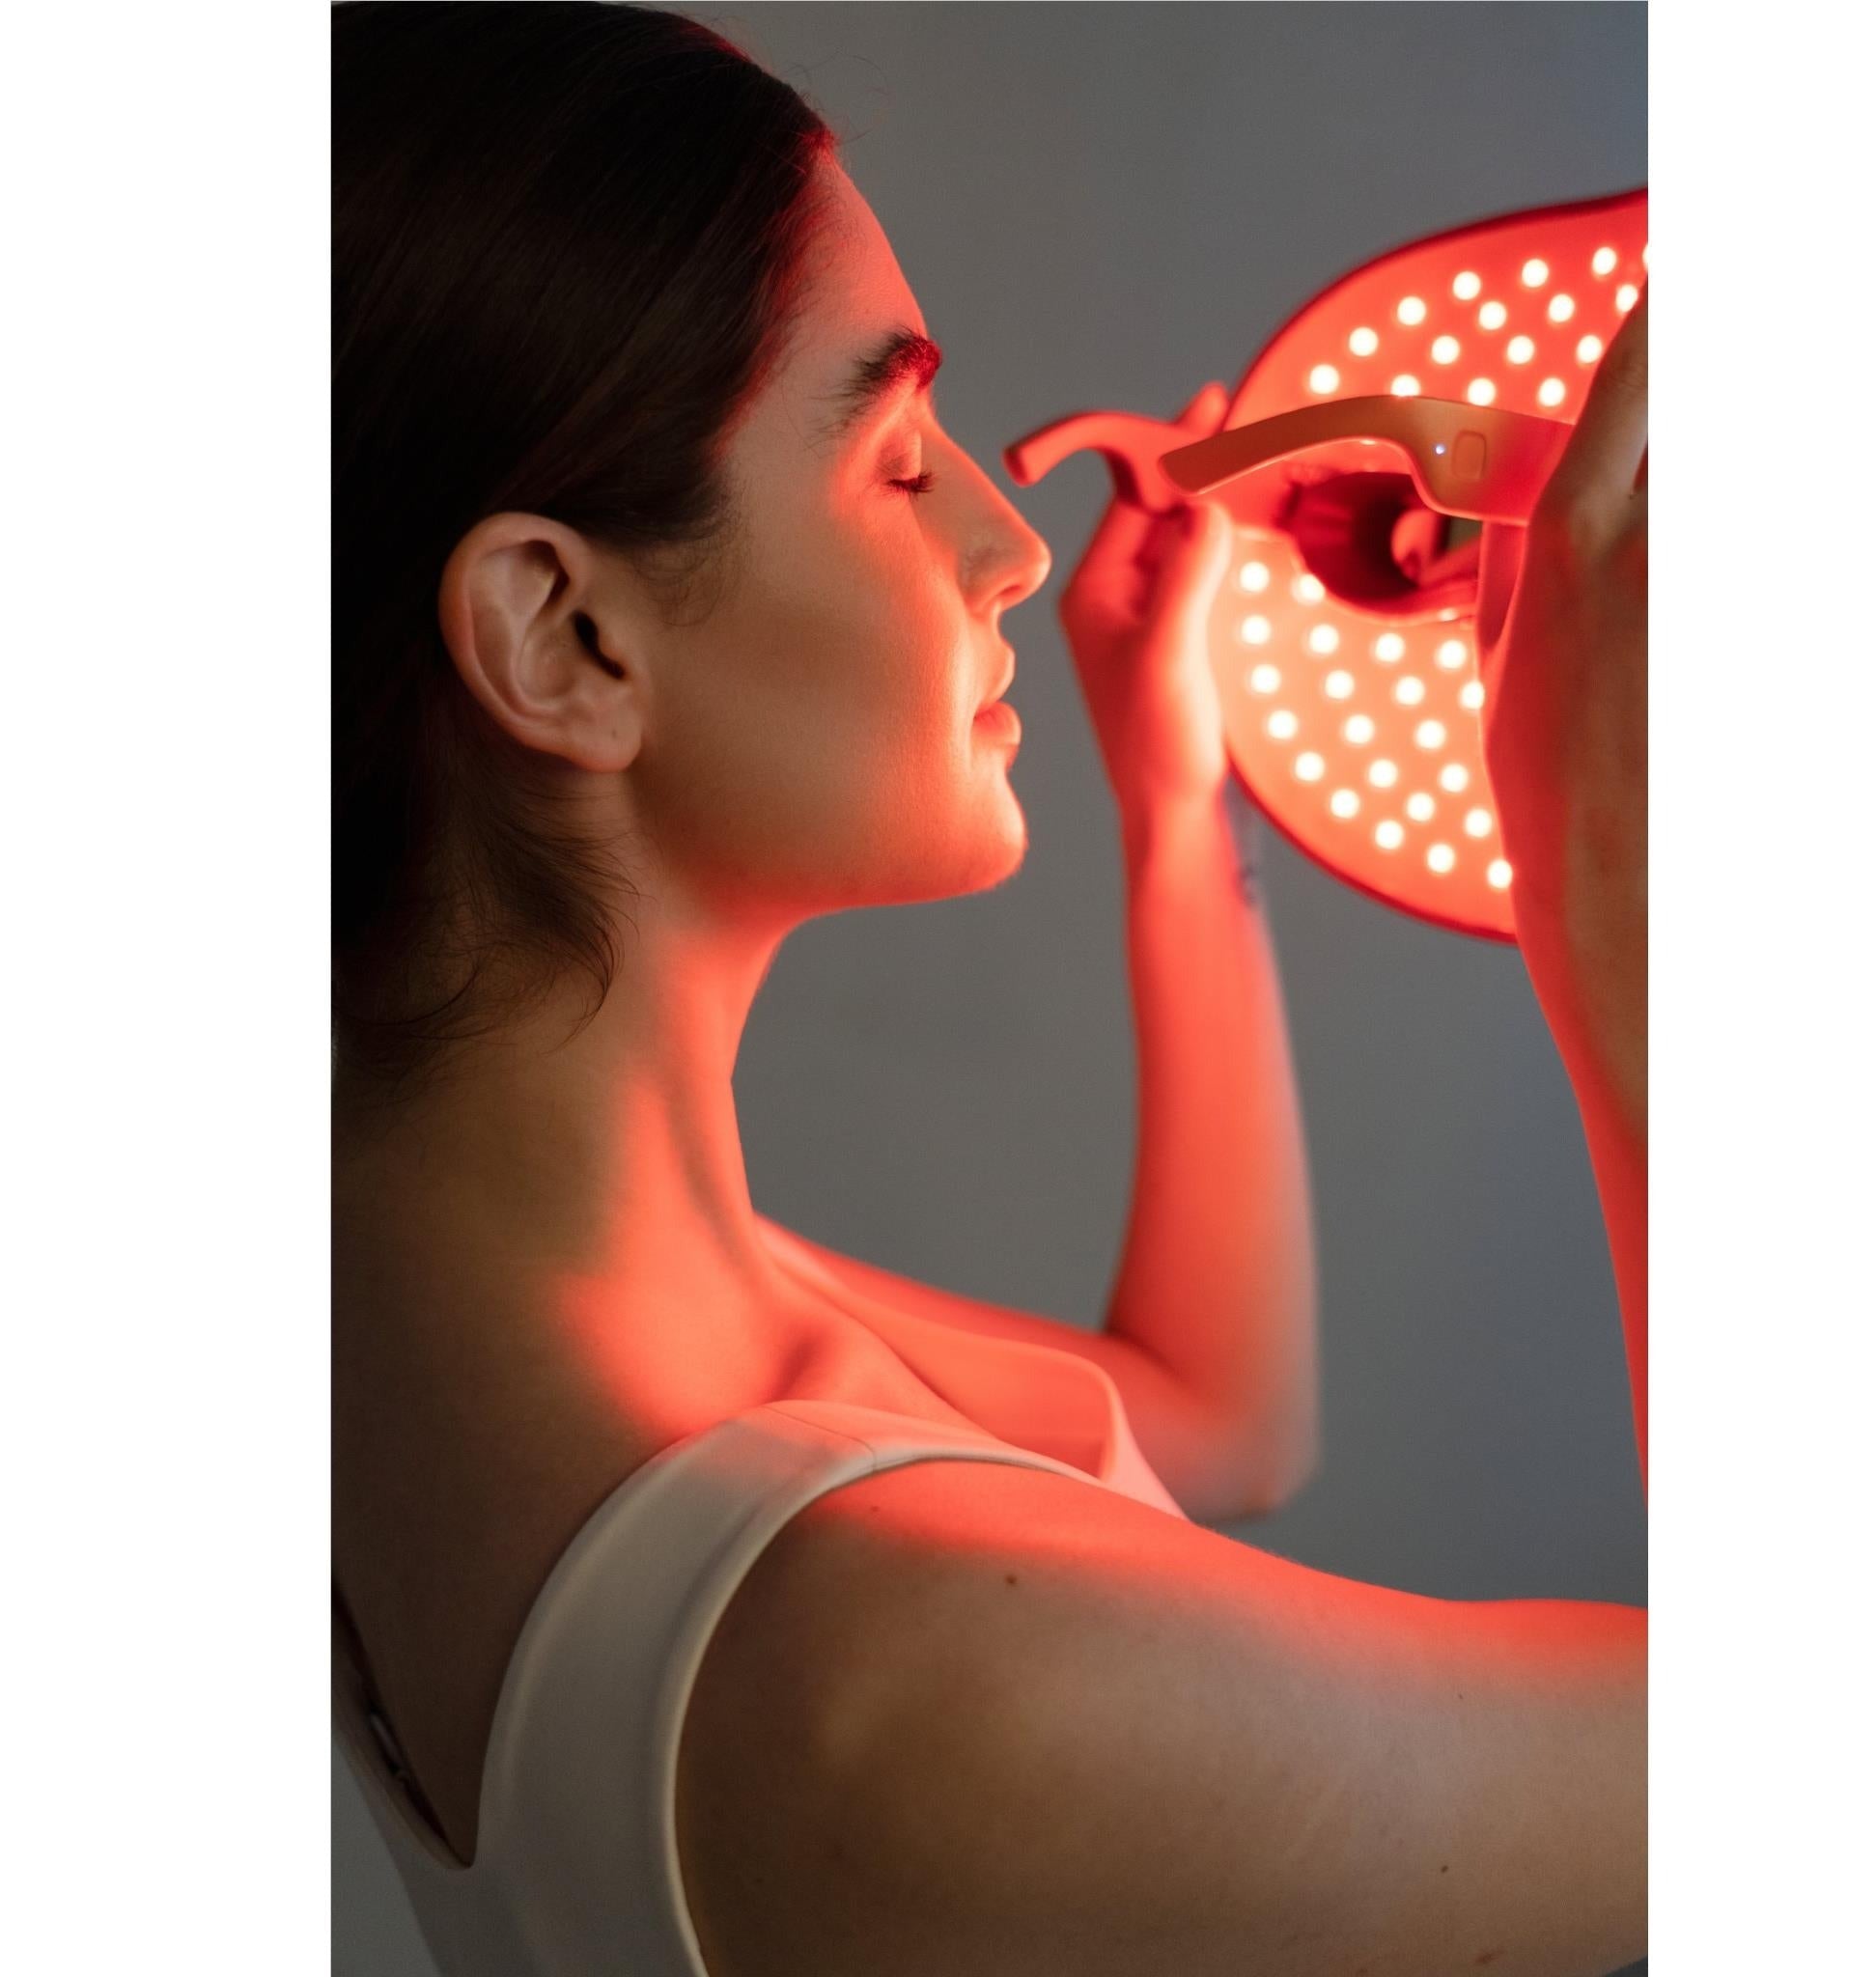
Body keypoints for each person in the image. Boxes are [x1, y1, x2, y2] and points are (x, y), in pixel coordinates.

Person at [331, 6, 1647, 1973]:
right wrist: (1620, 912)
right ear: (561, 634)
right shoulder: (904, 1677)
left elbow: (1220, 1417)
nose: (1013, 541)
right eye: (897, 457)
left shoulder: (481, 1325)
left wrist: (1172, 796)